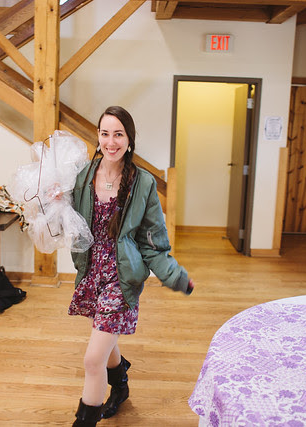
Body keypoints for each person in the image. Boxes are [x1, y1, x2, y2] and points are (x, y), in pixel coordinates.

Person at [68, 106, 194, 426]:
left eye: (118, 134)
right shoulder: (83, 176)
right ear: (97, 137)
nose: (111, 142)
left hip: (121, 279)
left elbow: (153, 241)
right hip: (91, 274)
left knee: (92, 359)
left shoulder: (143, 183)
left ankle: (85, 420)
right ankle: (120, 384)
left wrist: (174, 276)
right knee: (105, 338)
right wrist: (54, 201)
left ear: (129, 139)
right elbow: (68, 220)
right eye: (105, 133)